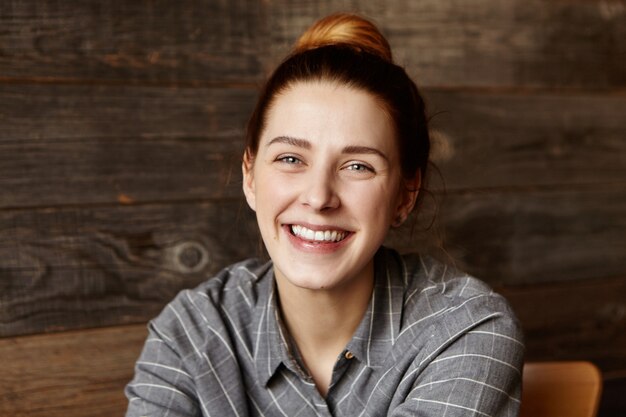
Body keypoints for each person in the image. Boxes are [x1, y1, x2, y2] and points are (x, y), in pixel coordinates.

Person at [125, 13, 524, 417]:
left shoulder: (465, 328)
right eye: (291, 158)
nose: (318, 197)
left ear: (405, 195)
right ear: (250, 176)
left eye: (358, 166)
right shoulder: (190, 334)